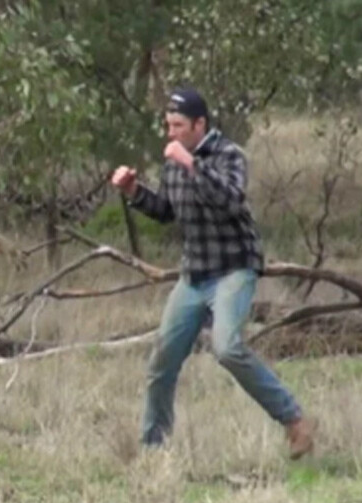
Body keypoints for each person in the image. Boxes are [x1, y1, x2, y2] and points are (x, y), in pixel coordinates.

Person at [111, 86, 316, 459]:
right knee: (162, 360)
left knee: (227, 347)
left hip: (234, 267)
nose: (170, 133)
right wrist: (135, 191)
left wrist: (192, 165)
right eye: (168, 125)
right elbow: (167, 211)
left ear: (200, 124)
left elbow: (230, 200)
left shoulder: (229, 155)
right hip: (194, 274)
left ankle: (295, 421)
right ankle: (153, 448)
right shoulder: (174, 159)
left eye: (178, 125)